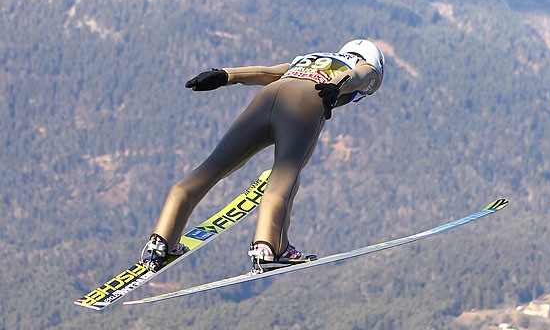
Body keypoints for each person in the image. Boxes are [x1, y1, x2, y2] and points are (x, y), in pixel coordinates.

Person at [140, 39, 385, 272]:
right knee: (286, 173)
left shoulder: (311, 58)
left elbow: (265, 73)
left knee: (212, 167)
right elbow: (361, 76)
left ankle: (161, 240)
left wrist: (225, 75)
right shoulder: (365, 66)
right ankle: (269, 247)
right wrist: (337, 87)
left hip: (267, 97)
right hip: (307, 101)